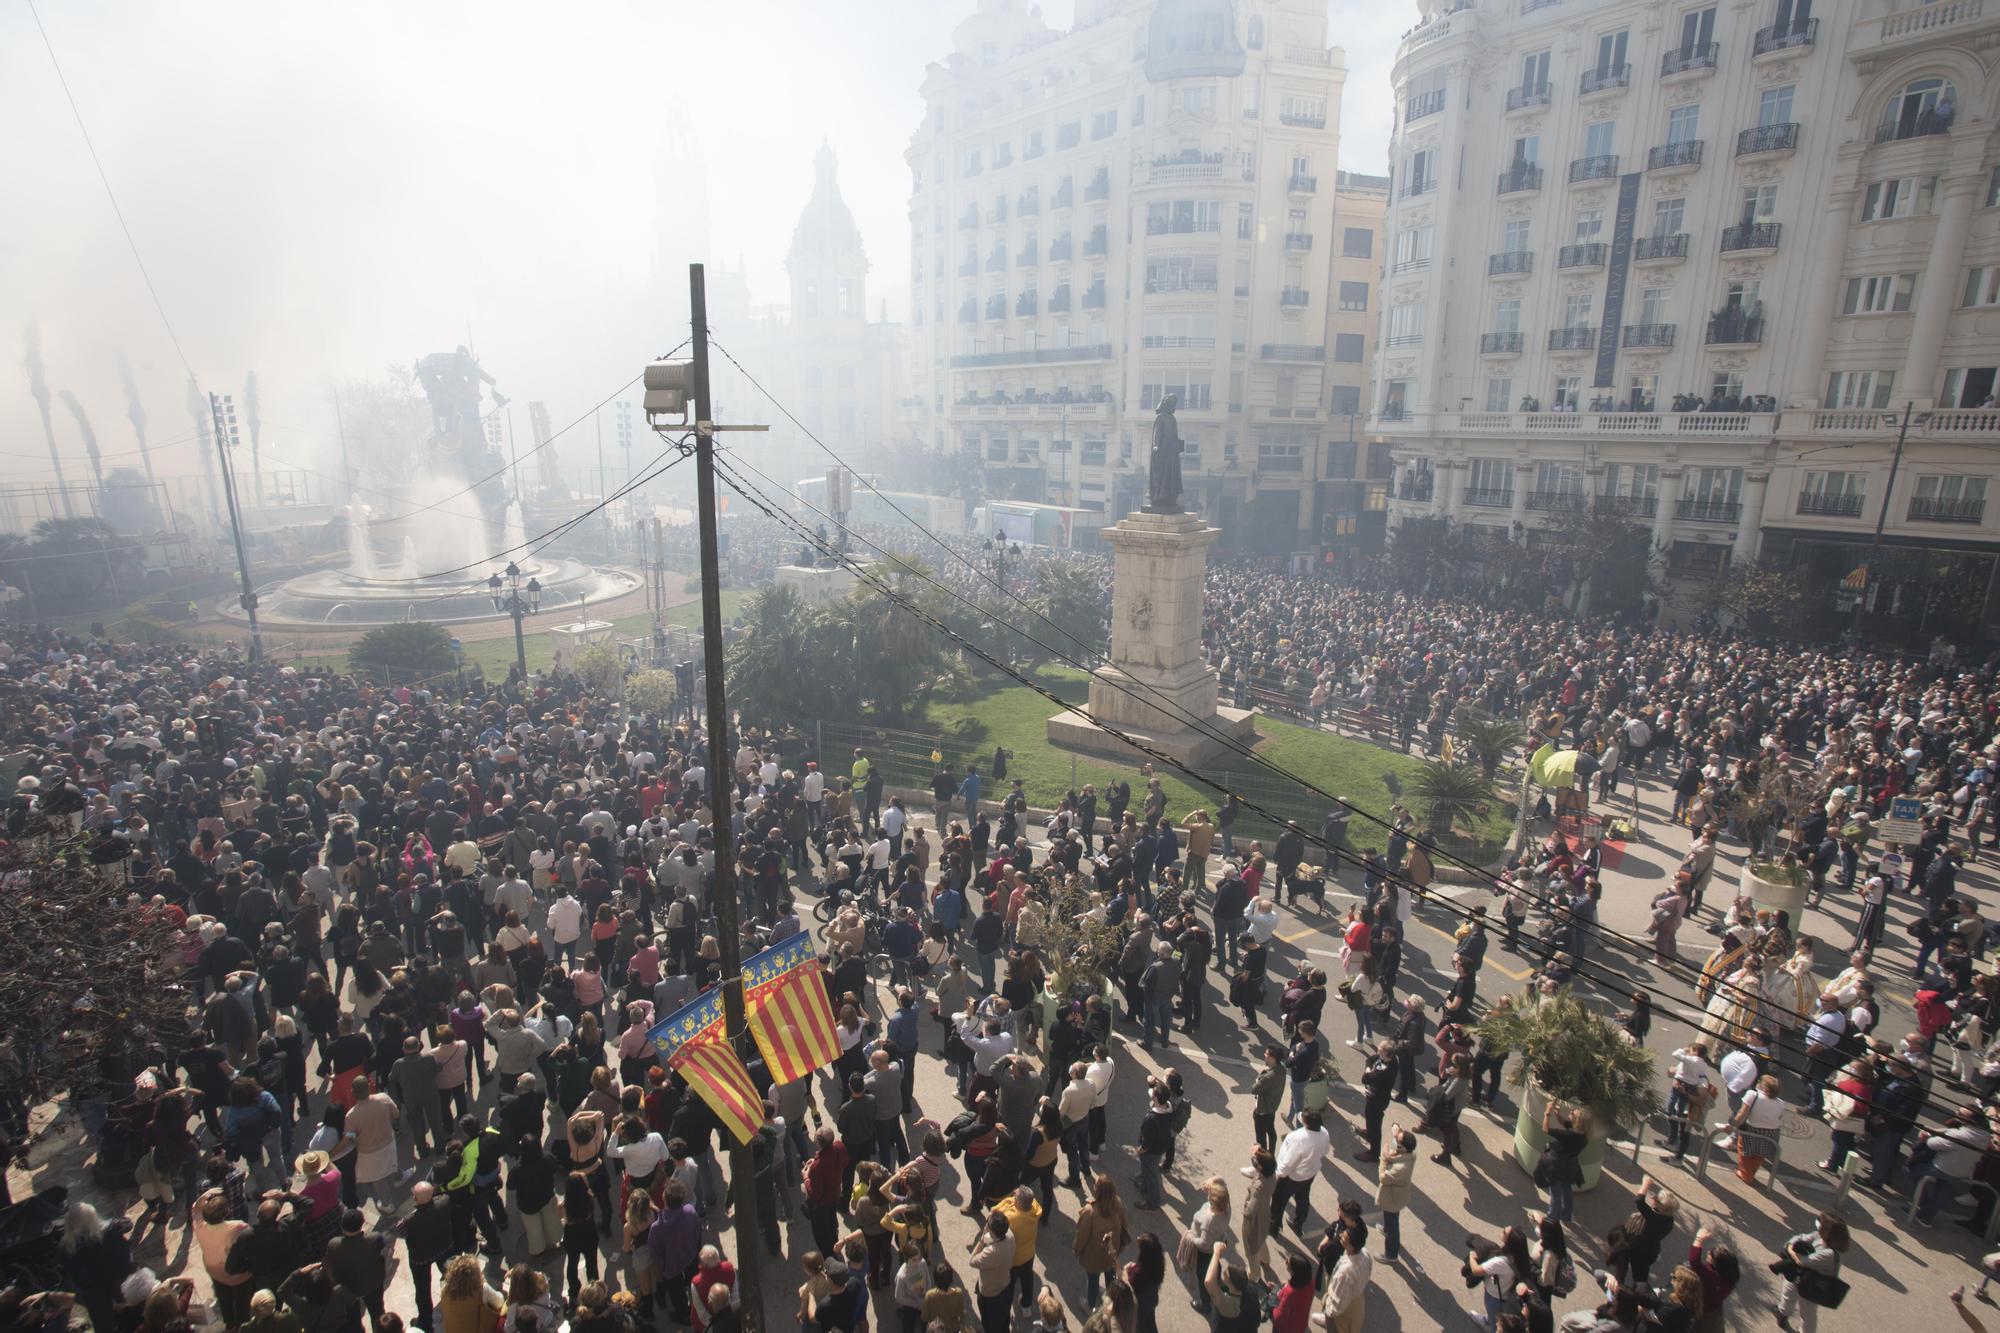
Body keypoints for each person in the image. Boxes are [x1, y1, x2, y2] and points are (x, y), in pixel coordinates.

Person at [1774, 1210, 1848, 1333]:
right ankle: (1782, 1313)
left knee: (1807, 1312)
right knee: (1788, 1293)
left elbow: (1802, 1261)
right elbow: (1802, 1237)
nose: (1818, 1224)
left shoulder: (1830, 1254)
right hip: (1800, 1275)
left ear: (1827, 1231)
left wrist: (1790, 1249)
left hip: (1813, 1285)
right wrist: (1793, 1243)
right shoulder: (1819, 1235)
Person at [1074, 1173, 1131, 1309]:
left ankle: (1090, 1305)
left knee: (1093, 1279)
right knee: (1110, 1273)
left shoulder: (1090, 1211)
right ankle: (1109, 1296)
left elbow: (1082, 1235)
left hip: (1093, 1254)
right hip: (1112, 1251)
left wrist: (1076, 1250)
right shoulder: (1118, 1204)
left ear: (1097, 1191)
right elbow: (1124, 1224)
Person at [1174, 1177, 1231, 1312]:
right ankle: (1218, 1281)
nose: (1207, 1193)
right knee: (1215, 1264)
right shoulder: (1227, 1208)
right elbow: (1223, 1181)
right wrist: (1212, 1181)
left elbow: (1204, 1244)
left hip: (1205, 1253)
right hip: (1218, 1242)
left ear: (1212, 1201)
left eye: (1209, 1194)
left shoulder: (1209, 1221)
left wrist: (1190, 1238)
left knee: (1202, 1276)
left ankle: (1205, 1304)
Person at [1273, 1109, 1331, 1238]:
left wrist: (1279, 1174)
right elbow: (1326, 1151)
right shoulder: (1324, 1133)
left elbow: (1289, 1163)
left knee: (1278, 1202)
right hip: (1309, 1174)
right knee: (1303, 1199)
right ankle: (1298, 1223)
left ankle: (1274, 1226)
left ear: (1307, 1124)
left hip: (1291, 1177)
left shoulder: (1298, 1138)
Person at [1539, 1100, 1588, 1224]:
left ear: (1576, 1121)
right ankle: (1566, 1215)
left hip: (1557, 1166)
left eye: (1572, 1113)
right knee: (1566, 1189)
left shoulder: (1568, 1135)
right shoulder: (1583, 1135)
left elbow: (1545, 1129)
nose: (1570, 1112)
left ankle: (1552, 1218)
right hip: (1571, 1166)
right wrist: (1557, 1114)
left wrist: (1547, 1113)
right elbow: (1566, 1123)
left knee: (1555, 1192)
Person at [1375, 1126, 1415, 1263]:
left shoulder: (1400, 1169)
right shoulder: (1410, 1154)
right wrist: (1396, 1132)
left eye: (1397, 1141)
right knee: (1390, 1218)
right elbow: (1399, 1144)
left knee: (1393, 1226)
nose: (1395, 1142)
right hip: (1398, 1197)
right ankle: (1386, 1228)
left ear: (1403, 1147)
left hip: (1392, 1199)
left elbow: (1383, 1177)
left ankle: (1391, 1254)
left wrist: (1384, 1157)